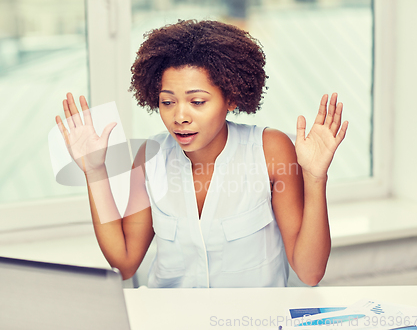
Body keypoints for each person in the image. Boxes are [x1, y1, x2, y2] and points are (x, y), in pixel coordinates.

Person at [54, 20, 348, 288]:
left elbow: (310, 272)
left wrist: (314, 177)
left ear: (231, 97)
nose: (179, 116)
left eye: (197, 101)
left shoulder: (270, 150)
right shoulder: (150, 158)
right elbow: (125, 261)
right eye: (167, 102)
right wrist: (94, 171)